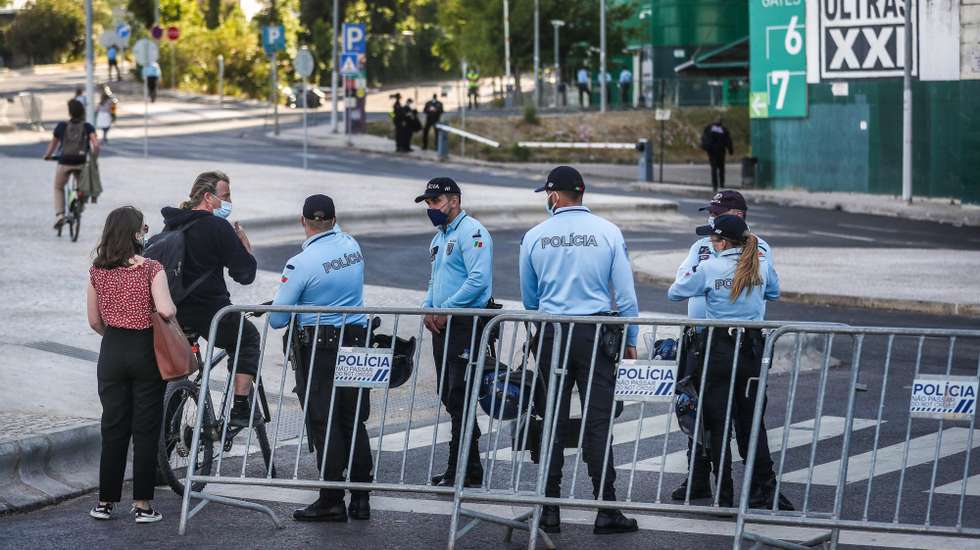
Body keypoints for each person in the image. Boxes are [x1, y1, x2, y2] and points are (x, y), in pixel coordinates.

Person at [518, 166, 639, 535]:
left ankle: (549, 508)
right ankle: (606, 507)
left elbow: (529, 298)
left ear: (555, 196)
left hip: (554, 333)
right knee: (598, 421)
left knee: (551, 419)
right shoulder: (608, 232)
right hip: (596, 333)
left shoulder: (535, 236)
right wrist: (631, 338)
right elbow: (626, 294)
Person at [667, 215, 792, 511]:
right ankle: (763, 488)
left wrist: (695, 273)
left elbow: (675, 292)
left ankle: (724, 493)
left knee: (717, 422)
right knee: (751, 422)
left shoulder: (710, 267)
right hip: (751, 351)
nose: (711, 242)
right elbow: (773, 292)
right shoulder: (760, 265)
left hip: (718, 351)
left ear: (721, 241)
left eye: (713, 238)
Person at [270, 195, 374, 522]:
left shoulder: (301, 263)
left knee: (325, 422)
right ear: (333, 219)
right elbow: (334, 232)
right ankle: (360, 498)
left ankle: (331, 498)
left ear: (303, 221)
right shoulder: (351, 246)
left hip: (322, 349)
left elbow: (277, 319)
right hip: (357, 341)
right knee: (353, 419)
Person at [87, 206, 175, 523]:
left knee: (113, 427)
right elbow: (165, 310)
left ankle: (105, 503)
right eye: (143, 228)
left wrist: (116, 329)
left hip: (111, 351)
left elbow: (94, 321)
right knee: (146, 428)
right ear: (137, 234)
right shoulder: (151, 268)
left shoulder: (98, 270)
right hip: (144, 350)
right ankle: (142, 505)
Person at [158, 171, 259, 426]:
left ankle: (163, 445)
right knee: (247, 338)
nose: (229, 201)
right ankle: (239, 407)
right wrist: (246, 249)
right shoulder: (217, 226)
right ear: (208, 197)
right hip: (210, 312)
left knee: (177, 375)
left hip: (173, 313)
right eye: (225, 196)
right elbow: (244, 274)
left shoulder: (172, 224)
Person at [416, 177, 494, 487]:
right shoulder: (438, 238)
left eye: (435, 202)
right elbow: (435, 279)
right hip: (444, 325)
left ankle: (460, 468)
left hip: (465, 325)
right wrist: (427, 308)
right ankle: (469, 467)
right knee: (450, 395)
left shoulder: (472, 231)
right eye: (428, 203)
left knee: (461, 394)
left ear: (454, 201)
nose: (431, 208)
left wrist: (446, 309)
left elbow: (477, 280)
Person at [43, 98, 98, 231]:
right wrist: (94, 157)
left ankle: (60, 215)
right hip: (81, 162)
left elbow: (53, 144)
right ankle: (79, 203)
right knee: (83, 187)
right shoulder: (87, 126)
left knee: (58, 187)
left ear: (70, 112)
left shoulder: (62, 126)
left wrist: (47, 155)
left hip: (65, 161)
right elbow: (95, 144)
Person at [701, 117, 734, 192]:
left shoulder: (709, 128)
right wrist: (730, 150)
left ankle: (714, 186)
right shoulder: (723, 129)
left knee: (714, 168)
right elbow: (728, 140)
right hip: (721, 151)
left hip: (712, 152)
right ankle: (722, 184)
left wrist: (706, 148)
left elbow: (704, 138)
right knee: (721, 168)